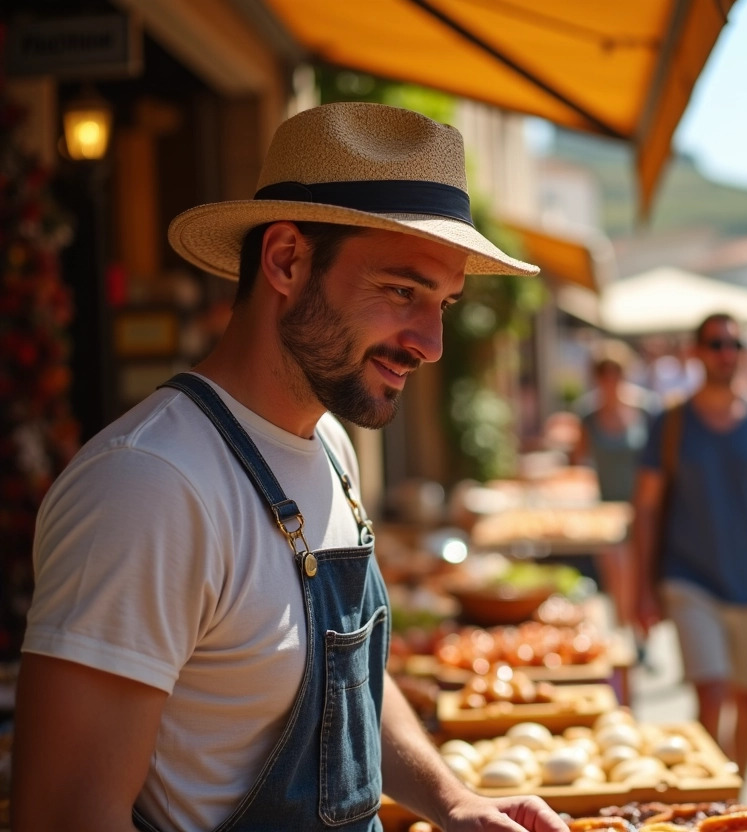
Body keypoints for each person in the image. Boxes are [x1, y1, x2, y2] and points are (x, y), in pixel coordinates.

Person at [12, 103, 567, 832]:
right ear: (285, 260)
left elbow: (347, 683)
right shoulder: (148, 486)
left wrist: (455, 801)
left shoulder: (330, 445)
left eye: (444, 303)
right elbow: (63, 818)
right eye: (402, 291)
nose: (430, 343)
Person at [631, 312, 747, 780]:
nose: (724, 353)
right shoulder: (669, 421)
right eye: (714, 344)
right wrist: (642, 588)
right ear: (696, 352)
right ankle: (707, 802)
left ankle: (735, 802)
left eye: (732, 344)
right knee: (711, 694)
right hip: (688, 576)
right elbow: (645, 508)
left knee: (746, 698)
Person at [571, 340, 657, 643]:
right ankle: (625, 637)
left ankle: (643, 635)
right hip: (607, 510)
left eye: (615, 373)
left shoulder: (646, 409)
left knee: (641, 574)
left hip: (643, 508)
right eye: (603, 374)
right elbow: (577, 463)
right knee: (617, 574)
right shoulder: (588, 415)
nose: (610, 380)